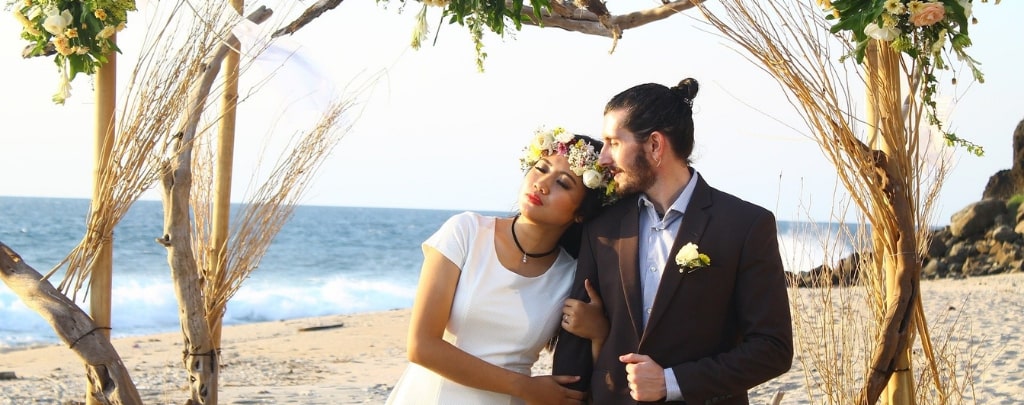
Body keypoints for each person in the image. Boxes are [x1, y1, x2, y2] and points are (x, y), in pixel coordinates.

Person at [553, 78, 794, 405]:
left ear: (654, 145)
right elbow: (576, 345)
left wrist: (672, 381)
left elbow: (772, 349)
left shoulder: (746, 225)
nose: (604, 158)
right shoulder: (602, 227)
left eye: (613, 142)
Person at [386, 127, 617, 405]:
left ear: (581, 213)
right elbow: (421, 347)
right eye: (541, 168)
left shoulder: (571, 276)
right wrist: (524, 387)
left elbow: (591, 377)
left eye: (563, 183)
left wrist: (599, 333)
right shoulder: (466, 232)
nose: (541, 184)